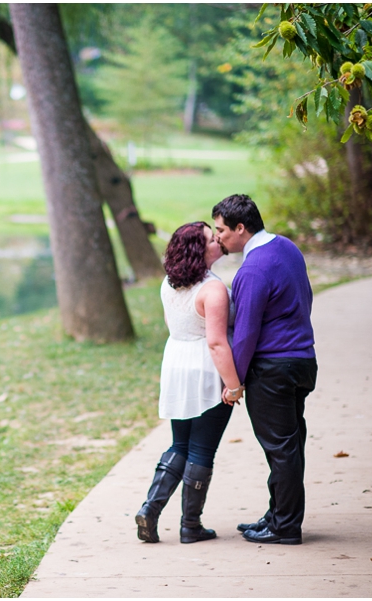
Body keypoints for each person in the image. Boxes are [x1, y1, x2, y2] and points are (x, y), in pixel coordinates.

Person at [212, 194, 317, 546]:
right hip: (301, 362)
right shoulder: (286, 247)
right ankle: (277, 515)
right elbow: (306, 296)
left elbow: (244, 333)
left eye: (222, 230)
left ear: (241, 228)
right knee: (289, 445)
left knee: (281, 450)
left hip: (273, 369)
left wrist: (234, 381)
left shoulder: (253, 269)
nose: (219, 238)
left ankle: (285, 526)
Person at [135, 222, 242, 544]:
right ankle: (190, 526)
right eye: (212, 239)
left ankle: (149, 510)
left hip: (177, 367)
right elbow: (216, 343)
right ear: (199, 249)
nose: (219, 241)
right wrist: (233, 385)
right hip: (206, 371)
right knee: (202, 450)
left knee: (180, 444)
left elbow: (175, 326)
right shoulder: (213, 290)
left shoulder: (169, 283)